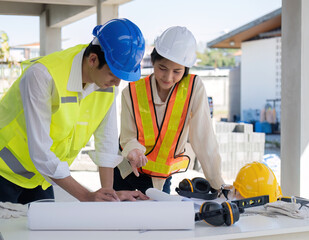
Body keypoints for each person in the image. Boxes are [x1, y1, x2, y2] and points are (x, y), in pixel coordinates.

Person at [0, 18, 148, 204]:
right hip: (3, 173)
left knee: (44, 232)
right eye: (113, 74)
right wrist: (87, 196)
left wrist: (109, 195)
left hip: (40, 179)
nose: (117, 83)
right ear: (93, 59)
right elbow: (41, 153)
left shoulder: (106, 85)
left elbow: (107, 141)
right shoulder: (42, 76)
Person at [109, 26, 226, 194]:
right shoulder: (132, 91)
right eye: (162, 68)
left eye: (177, 71)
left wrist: (217, 182)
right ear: (153, 62)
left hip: (159, 177)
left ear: (186, 69)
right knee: (121, 218)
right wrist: (134, 151)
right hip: (126, 170)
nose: (168, 77)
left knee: (157, 220)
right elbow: (128, 136)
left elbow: (203, 136)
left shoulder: (194, 88)